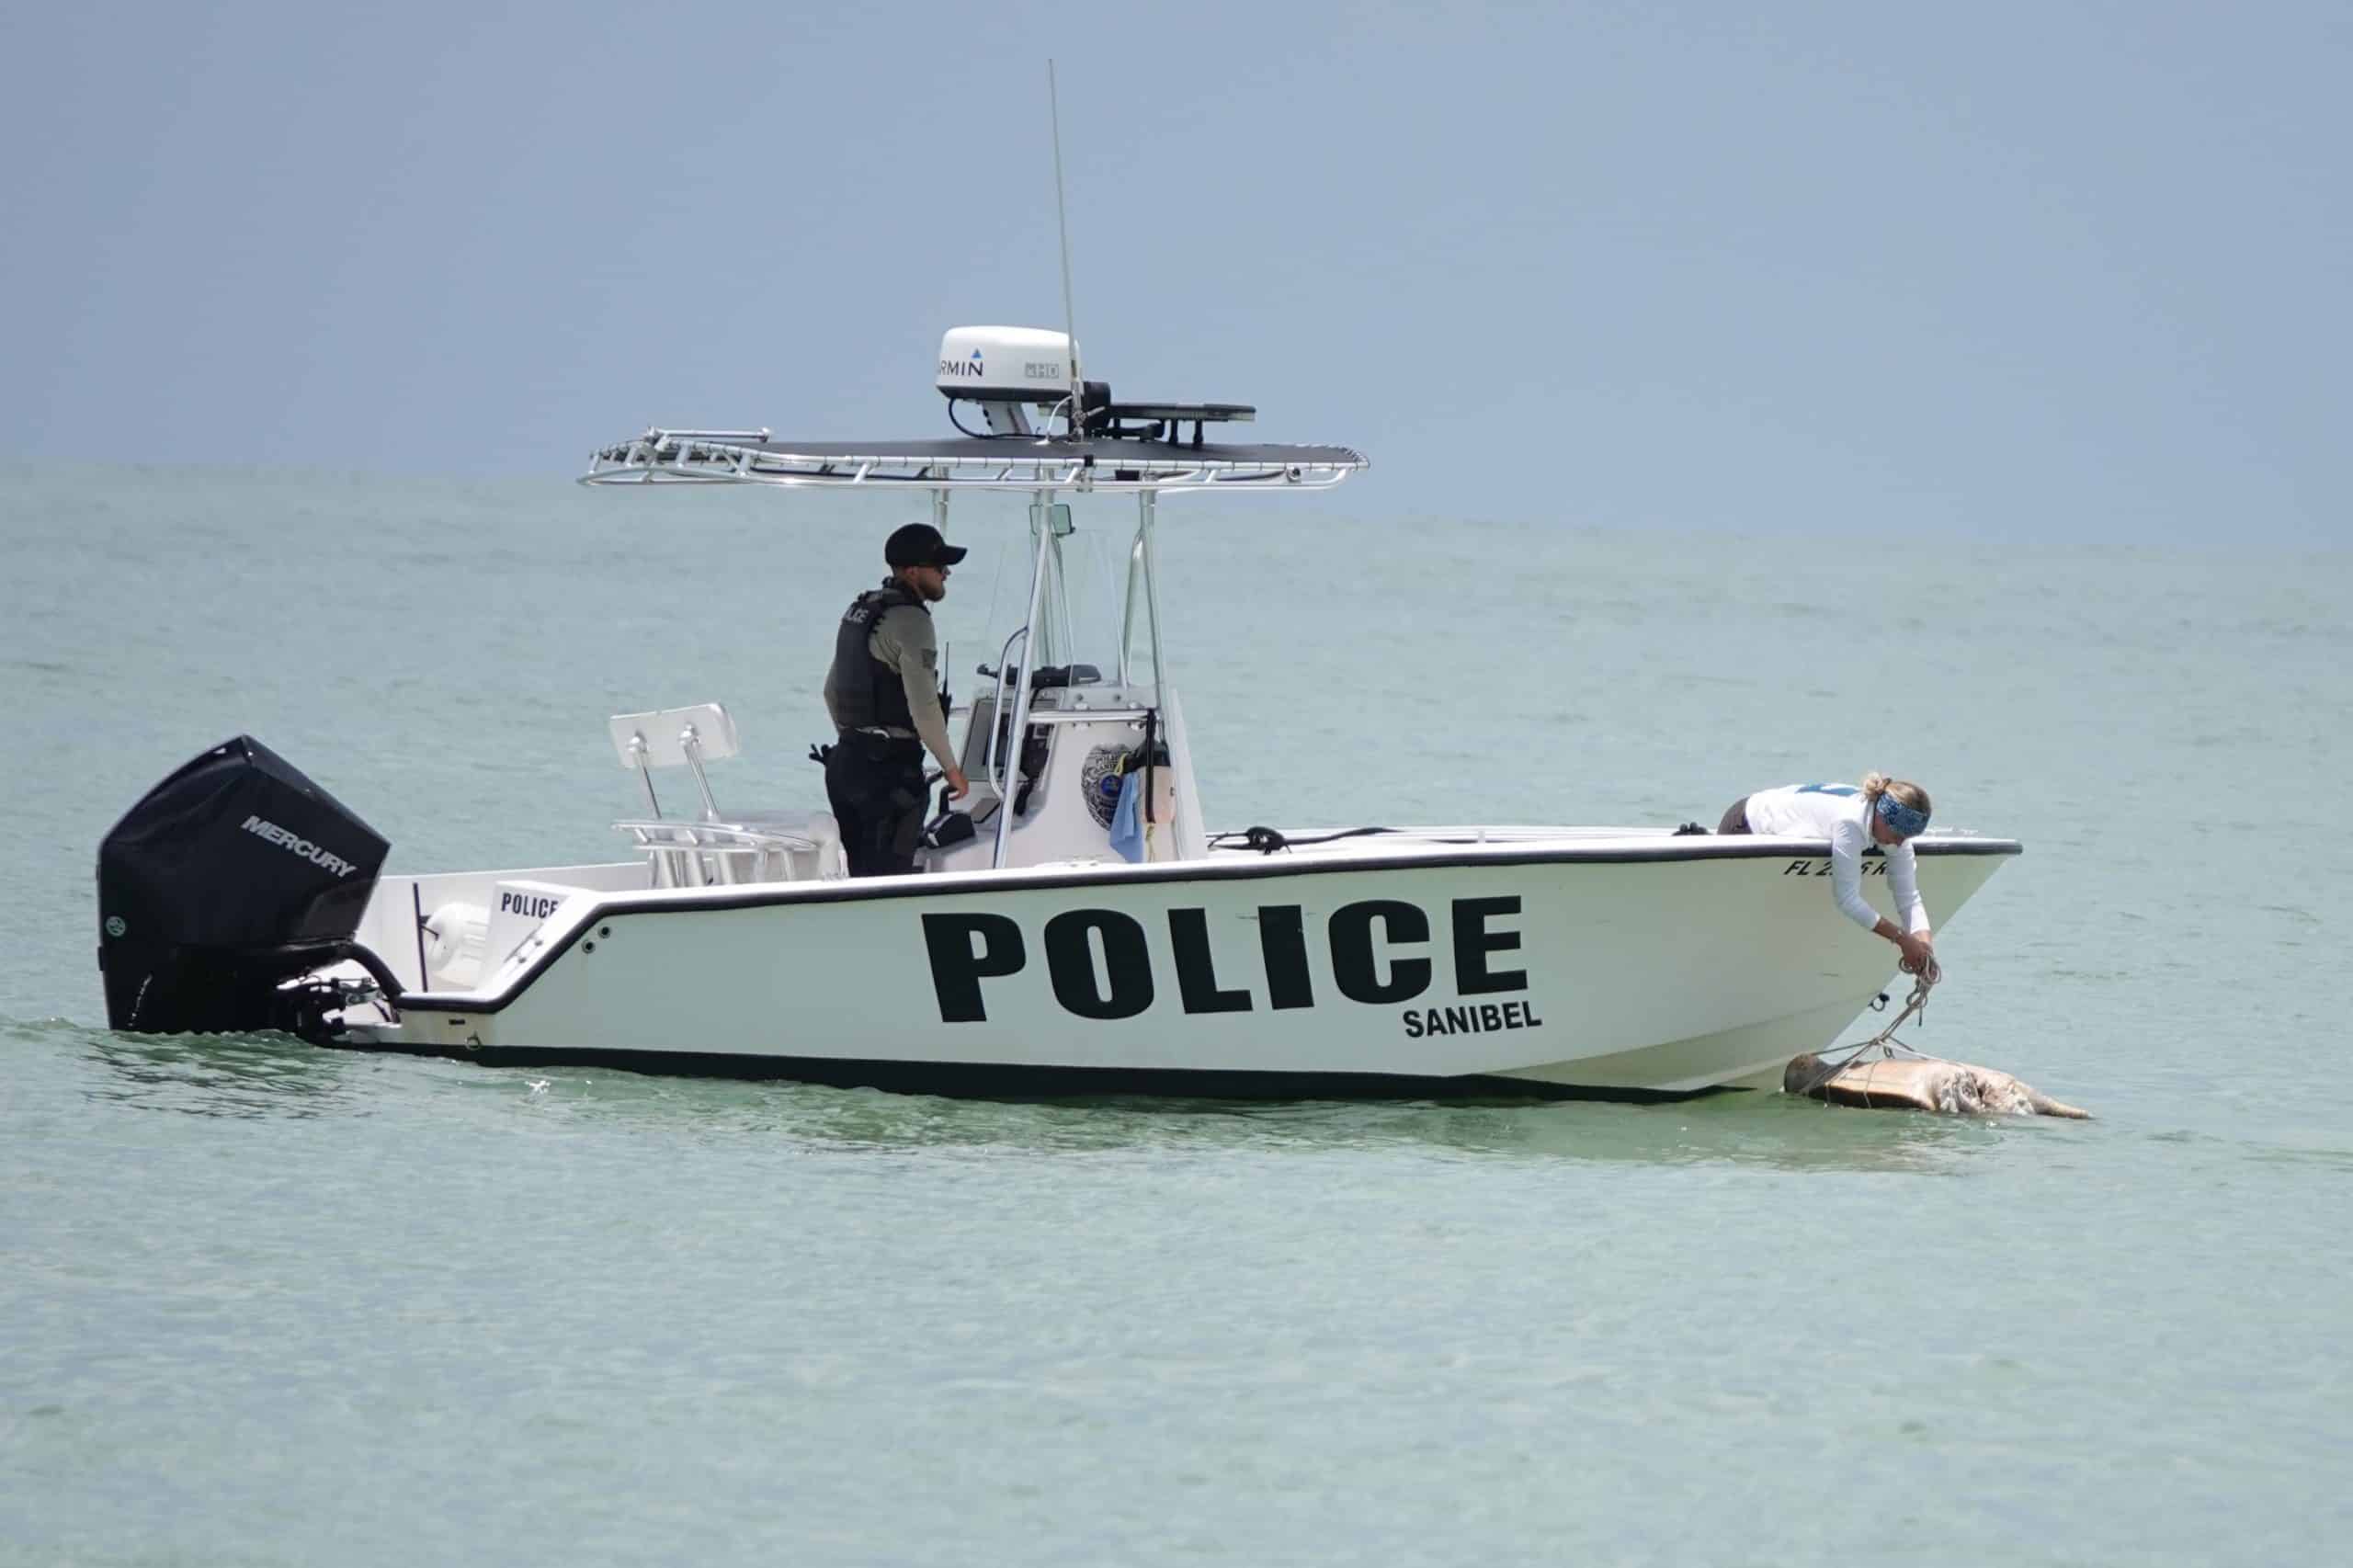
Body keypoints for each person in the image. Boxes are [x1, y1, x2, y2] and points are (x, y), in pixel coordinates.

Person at [822, 522, 972, 876]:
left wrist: (857, 740)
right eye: (939, 568)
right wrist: (952, 770)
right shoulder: (912, 621)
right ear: (912, 572)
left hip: (845, 766)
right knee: (890, 879)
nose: (946, 574)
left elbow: (831, 691)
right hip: (887, 779)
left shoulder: (862, 609)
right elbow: (924, 707)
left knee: (859, 874)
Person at [1718, 774, 1936, 972]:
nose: (1899, 842)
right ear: (1881, 816)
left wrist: (1925, 949)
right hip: (1745, 823)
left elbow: (1909, 898)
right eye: (1898, 834)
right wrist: (1902, 939)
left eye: (1908, 836)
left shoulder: (1896, 833)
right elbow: (1847, 899)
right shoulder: (1850, 821)